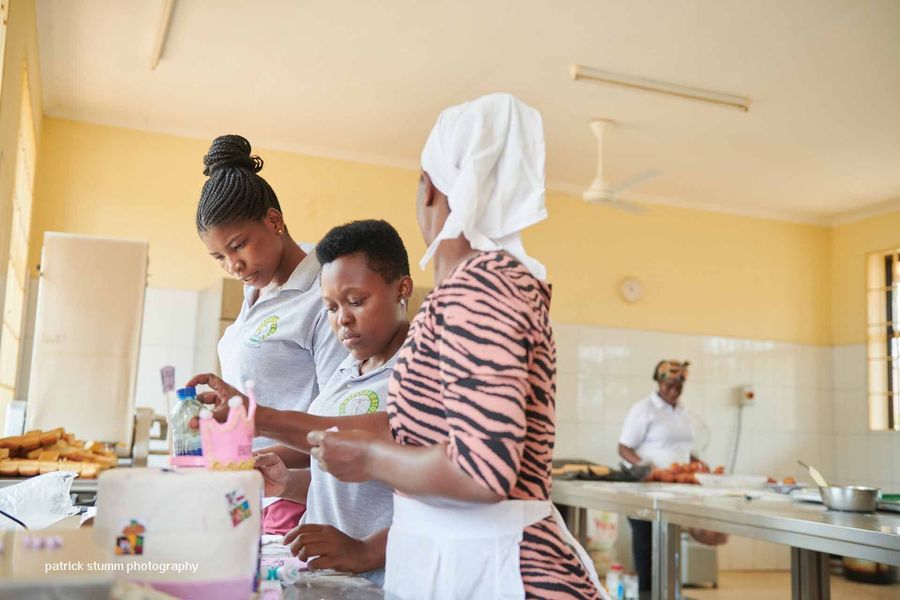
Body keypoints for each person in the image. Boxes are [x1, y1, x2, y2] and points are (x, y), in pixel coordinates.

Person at [305, 94, 605, 600]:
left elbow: (481, 469)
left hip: (501, 572)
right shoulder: (466, 293)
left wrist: (373, 458)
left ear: (431, 188)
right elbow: (429, 429)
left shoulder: (480, 288)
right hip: (460, 560)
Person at [194, 134, 348, 534]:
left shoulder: (325, 293)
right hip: (249, 490)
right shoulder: (255, 290)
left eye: (239, 245)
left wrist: (248, 461)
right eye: (219, 257)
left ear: (274, 221)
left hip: (296, 500)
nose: (233, 265)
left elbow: (341, 421)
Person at [249, 219, 410, 583]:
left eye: (356, 301)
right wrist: (286, 483)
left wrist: (365, 549)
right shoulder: (348, 368)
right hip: (331, 579)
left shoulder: (422, 367)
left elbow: (441, 498)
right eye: (331, 308)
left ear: (402, 289)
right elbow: (345, 491)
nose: (343, 321)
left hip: (386, 580)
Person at [618, 360, 723, 594]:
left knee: (669, 543)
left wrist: (696, 461)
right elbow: (624, 448)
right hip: (646, 487)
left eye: (679, 384)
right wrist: (648, 467)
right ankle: (647, 593)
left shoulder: (682, 411)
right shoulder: (644, 409)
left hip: (676, 489)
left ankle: (668, 593)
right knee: (647, 545)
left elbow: (681, 447)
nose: (674, 389)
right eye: (669, 383)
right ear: (659, 381)